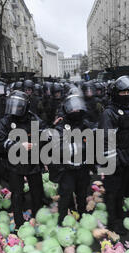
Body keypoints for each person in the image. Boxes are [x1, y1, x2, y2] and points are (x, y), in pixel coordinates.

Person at [99, 76, 129, 235]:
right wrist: (113, 161)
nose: (125, 95)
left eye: (128, 92)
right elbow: (105, 139)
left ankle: (118, 211)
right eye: (122, 92)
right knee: (113, 191)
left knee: (122, 190)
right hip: (115, 159)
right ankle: (113, 221)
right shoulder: (108, 113)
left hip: (128, 158)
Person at [0, 90, 45, 227]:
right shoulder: (5, 121)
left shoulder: (34, 120)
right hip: (14, 163)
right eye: (13, 105)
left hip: (32, 162)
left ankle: (38, 217)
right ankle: (19, 222)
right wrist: (16, 145)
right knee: (16, 194)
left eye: (18, 106)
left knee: (37, 191)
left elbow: (44, 136)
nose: (15, 109)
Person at [52, 92, 95, 225]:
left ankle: (82, 214)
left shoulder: (85, 123)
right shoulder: (61, 125)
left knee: (82, 193)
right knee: (66, 194)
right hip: (67, 169)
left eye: (78, 108)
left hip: (82, 167)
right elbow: (58, 147)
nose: (75, 111)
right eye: (72, 108)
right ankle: (62, 220)